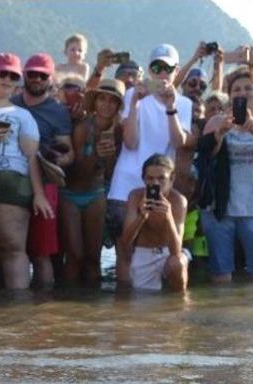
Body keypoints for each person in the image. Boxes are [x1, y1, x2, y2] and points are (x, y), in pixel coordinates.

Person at [0, 52, 51, 290]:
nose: (7, 79)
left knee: (12, 250)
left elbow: (31, 157)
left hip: (10, 182)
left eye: (13, 76)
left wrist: (38, 194)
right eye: (2, 73)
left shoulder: (23, 115)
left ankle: (17, 312)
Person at [200, 70, 253, 283]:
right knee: (221, 272)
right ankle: (222, 314)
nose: (243, 92)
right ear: (230, 95)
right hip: (219, 208)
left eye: (248, 88)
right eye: (237, 89)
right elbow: (206, 155)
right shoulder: (217, 121)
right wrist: (219, 133)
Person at [106, 44, 192, 253]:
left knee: (156, 250)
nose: (162, 73)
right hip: (125, 186)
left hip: (159, 186)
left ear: (177, 71)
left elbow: (179, 142)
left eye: (168, 68)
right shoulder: (133, 96)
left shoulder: (184, 103)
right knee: (125, 253)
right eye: (156, 67)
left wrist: (171, 107)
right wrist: (135, 102)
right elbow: (130, 142)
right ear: (149, 69)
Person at [12, 52, 73, 288]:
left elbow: (70, 152)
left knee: (42, 252)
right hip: (12, 181)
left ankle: (44, 313)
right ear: (24, 76)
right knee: (9, 250)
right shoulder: (10, 103)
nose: (36, 78)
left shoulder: (58, 111)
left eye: (42, 75)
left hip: (46, 184)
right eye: (32, 74)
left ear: (50, 79)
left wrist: (57, 160)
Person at [60, 78, 123, 286]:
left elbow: (112, 175)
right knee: (75, 256)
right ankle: (64, 308)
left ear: (119, 106)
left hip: (96, 194)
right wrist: (96, 155)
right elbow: (76, 171)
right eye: (102, 99)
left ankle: (91, 310)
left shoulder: (120, 131)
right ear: (94, 102)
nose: (107, 104)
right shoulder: (82, 128)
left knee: (93, 259)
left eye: (113, 101)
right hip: (70, 194)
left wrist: (109, 156)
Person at [116, 154, 189, 292]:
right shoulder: (135, 196)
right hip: (144, 251)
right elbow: (125, 242)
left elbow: (176, 250)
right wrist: (142, 216)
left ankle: (179, 304)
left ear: (171, 179)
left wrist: (168, 217)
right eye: (150, 178)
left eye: (161, 178)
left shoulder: (178, 201)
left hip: (168, 251)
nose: (155, 183)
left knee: (177, 263)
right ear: (143, 179)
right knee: (139, 297)